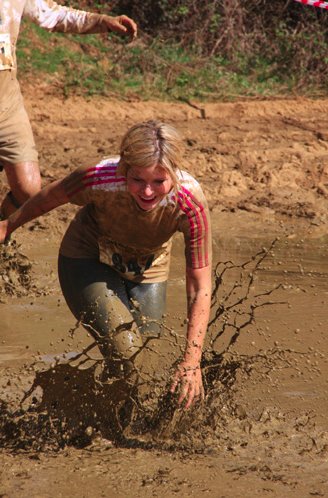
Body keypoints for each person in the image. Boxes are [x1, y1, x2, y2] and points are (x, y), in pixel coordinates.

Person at [0, 120, 212, 410]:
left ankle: (102, 417)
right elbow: (51, 196)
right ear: (124, 170)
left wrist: (192, 361)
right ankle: (74, 411)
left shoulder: (189, 202)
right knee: (128, 351)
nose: (147, 192)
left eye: (158, 182)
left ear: (173, 175)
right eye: (137, 180)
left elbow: (200, 286)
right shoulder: (99, 177)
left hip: (148, 268)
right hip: (88, 257)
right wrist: (8, 225)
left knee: (144, 372)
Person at [0, 0, 137, 218]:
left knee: (29, 191)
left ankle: (2, 231)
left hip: (7, 106)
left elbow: (53, 15)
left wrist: (101, 21)